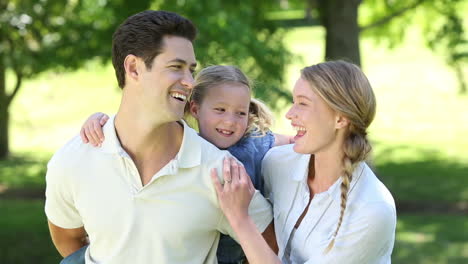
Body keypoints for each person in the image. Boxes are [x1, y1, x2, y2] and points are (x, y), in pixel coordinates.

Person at [45, 11, 274, 264]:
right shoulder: (73, 159)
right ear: (133, 68)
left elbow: (271, 248)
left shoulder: (221, 172)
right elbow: (68, 239)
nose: (190, 82)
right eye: (176, 67)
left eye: (191, 70)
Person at [79, 65, 292, 263]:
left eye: (241, 113)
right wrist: (100, 120)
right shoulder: (183, 146)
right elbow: (137, 124)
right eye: (220, 110)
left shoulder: (254, 143)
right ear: (195, 109)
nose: (230, 121)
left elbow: (295, 141)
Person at [211, 60, 397, 264]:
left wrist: (240, 219)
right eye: (293, 102)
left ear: (340, 119)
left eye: (303, 103)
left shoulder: (372, 210)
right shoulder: (277, 164)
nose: (290, 114)